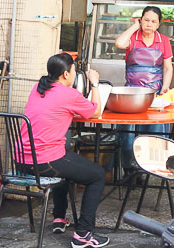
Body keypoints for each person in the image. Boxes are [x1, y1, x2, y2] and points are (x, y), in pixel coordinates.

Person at [21, 53, 109, 248]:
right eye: (73, 71)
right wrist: (94, 84)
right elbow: (96, 112)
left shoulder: (38, 87)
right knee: (97, 175)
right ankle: (84, 234)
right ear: (65, 75)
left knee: (69, 162)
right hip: (45, 163)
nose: (74, 74)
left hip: (23, 161)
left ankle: (59, 218)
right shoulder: (67, 94)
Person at [114, 6, 173, 167]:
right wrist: (134, 26)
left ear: (158, 24)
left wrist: (165, 88)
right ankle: (129, 168)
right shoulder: (133, 38)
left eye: (153, 21)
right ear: (141, 20)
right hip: (131, 95)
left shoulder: (164, 41)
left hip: (154, 95)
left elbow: (168, 68)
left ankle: (151, 167)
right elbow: (119, 43)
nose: (149, 24)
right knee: (128, 135)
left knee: (153, 134)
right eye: (146, 20)